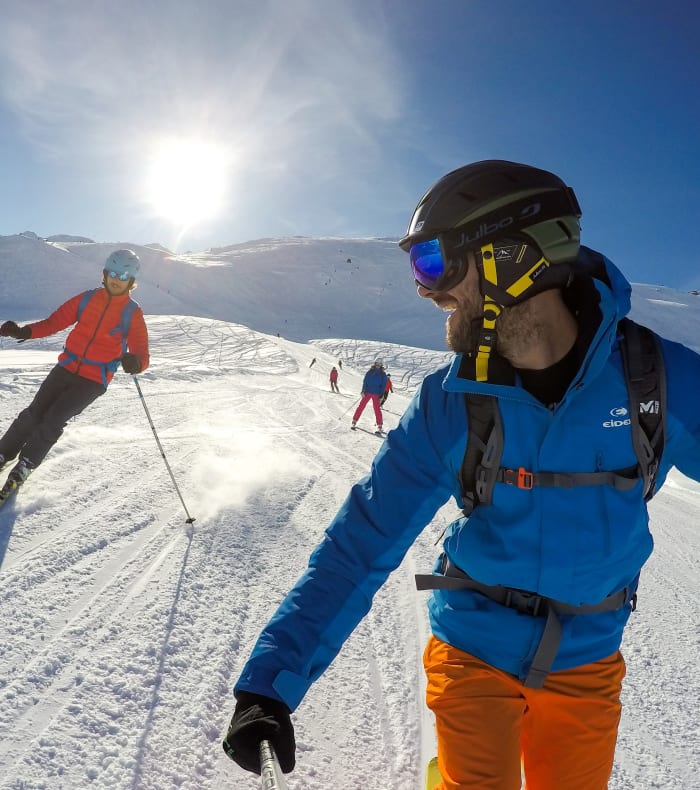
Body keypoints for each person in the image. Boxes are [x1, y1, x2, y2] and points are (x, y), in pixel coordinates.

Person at [221, 161, 700, 789]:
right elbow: (361, 542)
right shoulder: (451, 403)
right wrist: (269, 683)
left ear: (512, 253)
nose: (427, 290)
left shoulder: (655, 379)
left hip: (587, 662)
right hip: (472, 648)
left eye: (435, 263)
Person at [0, 249, 149, 500]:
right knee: (34, 412)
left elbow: (141, 352)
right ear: (104, 274)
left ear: (131, 281)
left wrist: (136, 362)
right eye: (112, 273)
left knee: (54, 419)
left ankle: (24, 466)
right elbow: (53, 322)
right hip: (66, 367)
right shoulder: (87, 299)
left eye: (123, 275)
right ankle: (4, 452)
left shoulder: (132, 313)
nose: (116, 279)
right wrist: (23, 331)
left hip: (93, 379)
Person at [350, 361, 387, 432]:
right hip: (368, 392)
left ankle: (380, 426)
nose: (378, 365)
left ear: (381, 365)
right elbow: (365, 382)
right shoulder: (370, 372)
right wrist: (363, 391)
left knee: (377, 409)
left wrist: (381, 395)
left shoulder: (383, 374)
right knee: (361, 406)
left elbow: (383, 385)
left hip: (376, 393)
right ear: (375, 364)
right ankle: (354, 421)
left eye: (380, 364)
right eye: (377, 364)